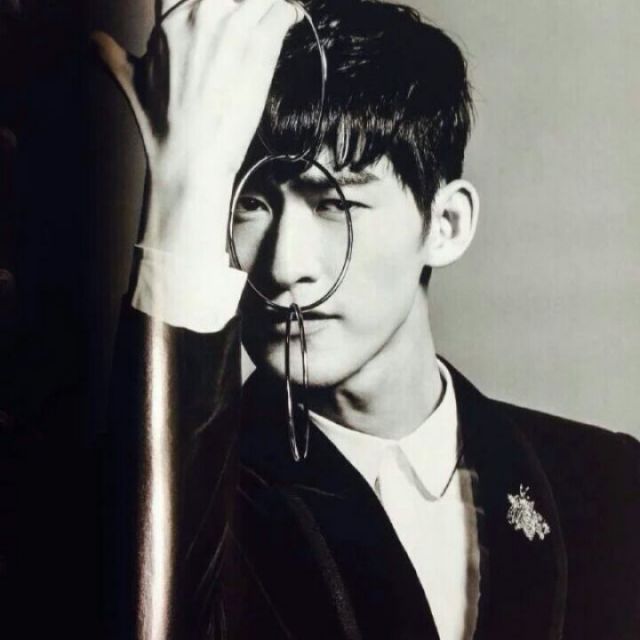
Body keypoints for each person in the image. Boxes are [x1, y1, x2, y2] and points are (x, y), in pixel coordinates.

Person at [95, 0, 640, 638]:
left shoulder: (606, 482)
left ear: (446, 225)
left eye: (336, 205)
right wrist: (183, 188)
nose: (284, 265)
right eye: (250, 204)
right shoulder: (184, 495)